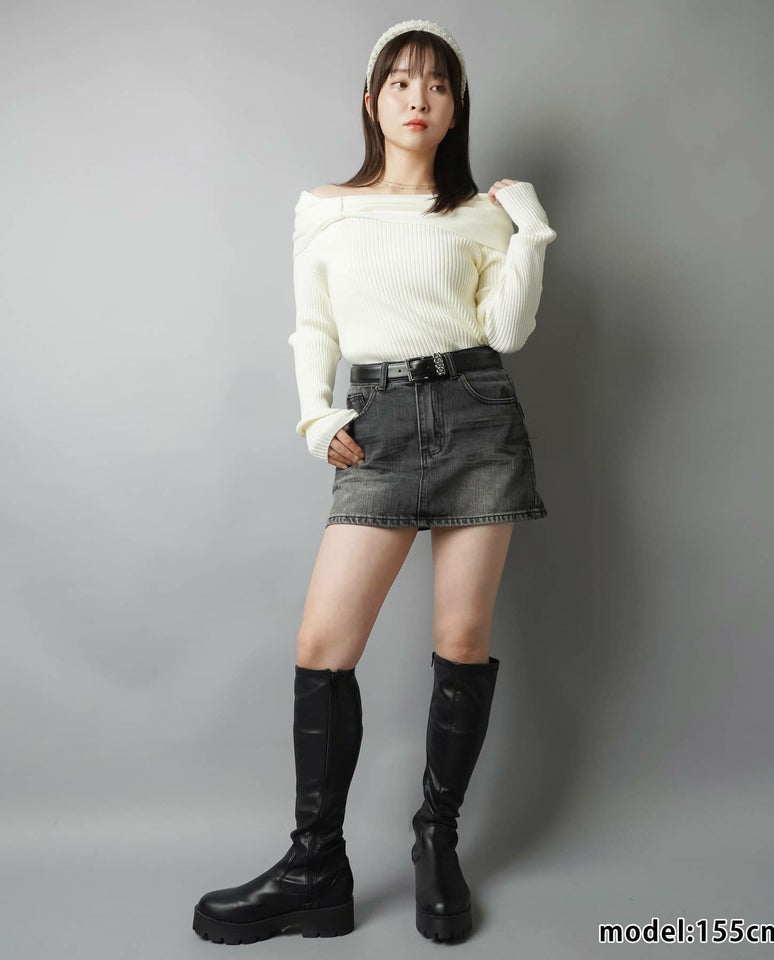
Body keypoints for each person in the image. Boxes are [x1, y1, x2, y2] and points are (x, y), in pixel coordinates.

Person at [192, 18, 557, 945]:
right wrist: (316, 417)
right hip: (379, 425)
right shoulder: (326, 207)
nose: (417, 98)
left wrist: (532, 228)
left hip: (477, 416)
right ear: (371, 101)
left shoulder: (481, 213)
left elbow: (506, 332)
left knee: (462, 640)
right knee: (323, 643)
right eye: (400, 82)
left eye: (436, 85)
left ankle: (438, 839)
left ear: (455, 108)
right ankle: (315, 866)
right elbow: (313, 325)